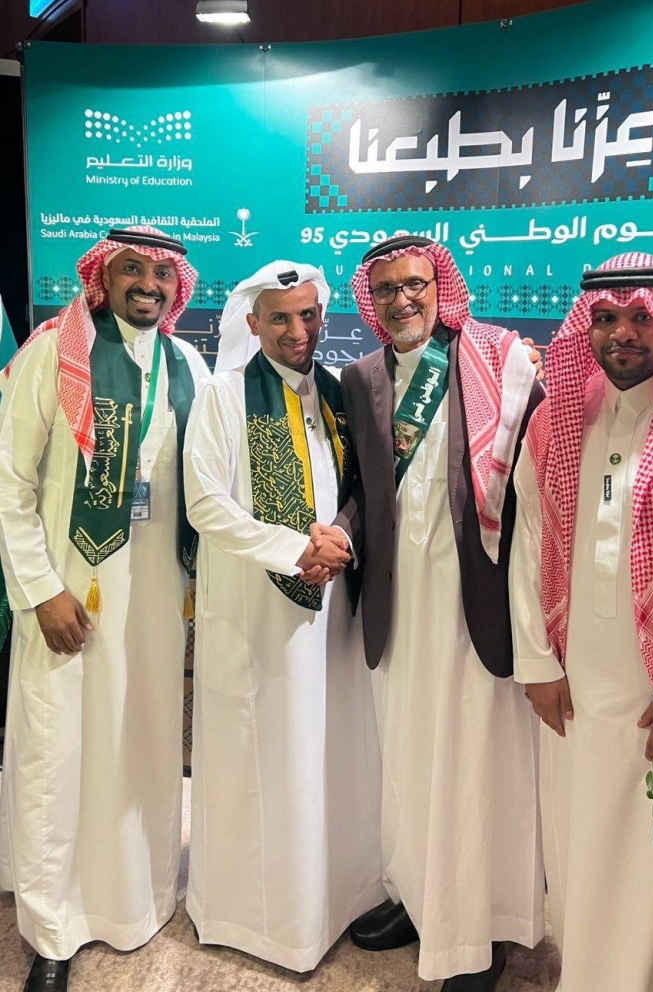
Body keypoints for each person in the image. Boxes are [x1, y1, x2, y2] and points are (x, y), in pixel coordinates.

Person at [321, 235, 546, 990]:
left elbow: (538, 477)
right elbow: (362, 490)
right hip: (397, 606)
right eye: (386, 290)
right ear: (371, 300)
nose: (402, 301)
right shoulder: (360, 378)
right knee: (409, 758)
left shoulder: (497, 362)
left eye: (414, 284)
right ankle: (419, 899)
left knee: (474, 762)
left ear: (439, 286)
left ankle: (479, 928)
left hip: (472, 605)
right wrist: (339, 532)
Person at [0, 227, 209, 992]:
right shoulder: (55, 353)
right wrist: (41, 589)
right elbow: (8, 480)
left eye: (161, 272)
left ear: (177, 284)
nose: (148, 283)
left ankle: (135, 901)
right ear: (103, 276)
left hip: (154, 604)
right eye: (131, 269)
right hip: (69, 596)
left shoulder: (189, 365)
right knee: (58, 753)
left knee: (141, 747)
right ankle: (52, 928)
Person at [183, 260, 383, 972]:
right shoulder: (225, 395)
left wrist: (338, 540)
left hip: (332, 616)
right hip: (256, 615)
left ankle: (334, 898)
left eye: (307, 315)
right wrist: (293, 547)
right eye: (280, 318)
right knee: (262, 756)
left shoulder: (337, 391)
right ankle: (258, 918)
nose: (297, 331)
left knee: (328, 752)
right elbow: (205, 504)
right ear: (252, 323)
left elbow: (361, 486)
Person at [510, 251, 653, 992]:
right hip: (573, 683)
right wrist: (536, 664)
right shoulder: (555, 424)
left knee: (651, 854)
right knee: (578, 848)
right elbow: (524, 548)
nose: (623, 333)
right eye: (605, 318)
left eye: (642, 316)